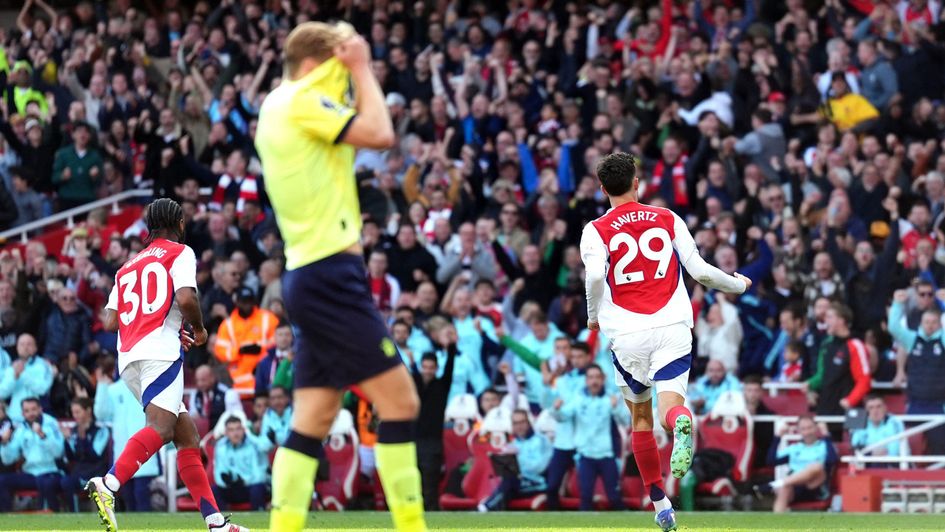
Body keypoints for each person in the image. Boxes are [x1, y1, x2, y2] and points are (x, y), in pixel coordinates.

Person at [255, 22, 426, 532]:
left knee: (313, 418)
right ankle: (412, 527)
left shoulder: (276, 105)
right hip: (331, 274)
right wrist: (360, 66)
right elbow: (381, 134)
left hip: (310, 272)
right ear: (314, 67)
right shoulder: (300, 102)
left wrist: (344, 59)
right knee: (401, 402)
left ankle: (282, 526)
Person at [580, 152, 750, 531]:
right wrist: (738, 284)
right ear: (637, 182)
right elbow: (702, 273)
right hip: (672, 325)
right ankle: (682, 421)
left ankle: (660, 503)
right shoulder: (667, 217)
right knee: (670, 408)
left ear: (603, 188)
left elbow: (594, 278)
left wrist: (593, 315)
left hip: (627, 333)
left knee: (640, 418)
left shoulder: (595, 229)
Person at [85, 198, 248, 532]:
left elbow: (110, 321)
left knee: (186, 436)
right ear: (181, 224)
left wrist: (164, 323)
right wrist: (199, 330)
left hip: (128, 359)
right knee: (160, 428)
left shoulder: (127, 266)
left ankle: (215, 523)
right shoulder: (180, 252)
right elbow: (187, 298)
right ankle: (109, 484)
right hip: (159, 353)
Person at [551, 364, 628, 511]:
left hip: (607, 455)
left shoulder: (610, 399)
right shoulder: (578, 399)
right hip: (585, 455)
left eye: (597, 377)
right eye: (591, 377)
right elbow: (562, 417)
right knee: (585, 497)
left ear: (603, 379)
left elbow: (625, 421)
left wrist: (615, 408)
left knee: (614, 497)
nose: (594, 381)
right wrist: (556, 409)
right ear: (586, 380)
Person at [94, 356, 158, 512]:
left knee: (142, 496)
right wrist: (101, 385)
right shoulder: (113, 389)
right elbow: (101, 414)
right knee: (128, 497)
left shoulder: (148, 388)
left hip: (145, 453)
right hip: (123, 453)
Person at [888, 289, 945, 454]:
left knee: (939, 447)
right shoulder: (912, 339)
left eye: (934, 322)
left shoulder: (943, 340)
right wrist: (898, 304)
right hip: (916, 402)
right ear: (920, 323)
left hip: (939, 404)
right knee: (913, 448)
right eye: (926, 321)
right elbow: (893, 327)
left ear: (940, 324)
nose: (930, 325)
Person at [409, 327, 456, 511]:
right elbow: (409, 375)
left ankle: (432, 519)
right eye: (425, 367)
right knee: (413, 484)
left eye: (431, 367)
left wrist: (451, 345)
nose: (428, 371)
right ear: (421, 367)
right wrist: (412, 366)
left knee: (430, 486)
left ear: (436, 368)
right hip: (413, 440)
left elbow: (450, 366)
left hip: (432, 443)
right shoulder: (415, 384)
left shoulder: (442, 386)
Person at [756, 415, 837, 513]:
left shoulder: (824, 445)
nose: (807, 432)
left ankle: (774, 484)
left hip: (815, 485)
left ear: (816, 428)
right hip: (795, 486)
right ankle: (776, 524)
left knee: (816, 466)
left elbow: (832, 460)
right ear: (799, 430)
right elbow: (771, 461)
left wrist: (826, 434)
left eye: (810, 428)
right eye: (803, 429)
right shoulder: (794, 448)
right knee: (784, 489)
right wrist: (778, 436)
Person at [477, 409, 552, 511]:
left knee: (509, 483)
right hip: (516, 483)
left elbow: (539, 467)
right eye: (515, 423)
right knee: (506, 482)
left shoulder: (541, 440)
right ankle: (487, 510)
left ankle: (485, 508)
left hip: (537, 483)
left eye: (522, 422)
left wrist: (517, 457)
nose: (519, 426)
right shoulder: (513, 443)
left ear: (529, 422)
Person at [805, 303, 872, 417]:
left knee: (859, 435)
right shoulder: (826, 345)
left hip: (853, 409)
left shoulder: (856, 345)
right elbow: (822, 374)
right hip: (827, 406)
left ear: (841, 320)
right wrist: (810, 384)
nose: (825, 320)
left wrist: (850, 400)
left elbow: (864, 380)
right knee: (827, 435)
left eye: (830, 317)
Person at [0, 397, 65, 511]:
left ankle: (54, 516)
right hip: (30, 474)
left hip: (51, 472)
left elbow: (58, 452)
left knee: (46, 482)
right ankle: (6, 519)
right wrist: (5, 444)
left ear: (40, 409)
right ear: (22, 413)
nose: (31, 414)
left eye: (34, 409)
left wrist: (42, 435)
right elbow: (8, 459)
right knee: (2, 480)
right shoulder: (21, 430)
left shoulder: (51, 424)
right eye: (27, 411)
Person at [214, 286, 278, 392]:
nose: (247, 305)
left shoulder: (268, 318)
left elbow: (278, 342)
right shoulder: (227, 324)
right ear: (237, 302)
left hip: (264, 383)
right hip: (237, 385)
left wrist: (261, 350)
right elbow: (220, 351)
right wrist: (239, 351)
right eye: (243, 302)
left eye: (249, 301)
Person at [60, 398, 111, 511]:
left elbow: (95, 456)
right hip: (79, 473)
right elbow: (71, 458)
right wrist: (67, 440)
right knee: (63, 481)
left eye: (78, 412)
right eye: (73, 412)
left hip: (96, 473)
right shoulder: (74, 431)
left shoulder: (100, 430)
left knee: (68, 482)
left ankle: (76, 514)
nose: (75, 416)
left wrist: (82, 439)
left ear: (88, 410)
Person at [213, 416, 270, 510]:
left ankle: (258, 516)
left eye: (238, 429)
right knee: (215, 490)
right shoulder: (220, 447)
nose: (235, 433)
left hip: (250, 487)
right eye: (231, 430)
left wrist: (244, 481)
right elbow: (219, 473)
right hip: (231, 487)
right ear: (226, 433)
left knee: (257, 489)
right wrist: (227, 482)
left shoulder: (254, 444)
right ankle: (221, 520)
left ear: (244, 430)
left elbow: (259, 476)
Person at [0, 333, 54, 421]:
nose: (25, 347)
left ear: (35, 348)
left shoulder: (44, 365)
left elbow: (43, 389)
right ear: (17, 348)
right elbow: (2, 393)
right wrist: (14, 377)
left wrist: (23, 375)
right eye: (22, 344)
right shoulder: (12, 367)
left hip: (38, 416)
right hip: (15, 417)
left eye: (29, 344)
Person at [851, 395, 908, 467]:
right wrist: (872, 454)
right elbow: (855, 446)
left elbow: (894, 452)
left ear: (885, 408)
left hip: (893, 463)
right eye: (871, 408)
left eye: (878, 406)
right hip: (869, 460)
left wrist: (874, 455)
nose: (875, 411)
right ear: (866, 410)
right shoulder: (861, 422)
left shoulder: (895, 422)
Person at [186, 365, 244, 429]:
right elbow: (193, 416)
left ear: (212, 378)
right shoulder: (195, 395)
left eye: (203, 380)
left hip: (223, 431)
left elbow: (236, 417)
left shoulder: (228, 393)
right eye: (197, 380)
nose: (200, 384)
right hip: (203, 434)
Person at [254, 322, 294, 396]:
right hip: (270, 403)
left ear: (292, 337)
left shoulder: (298, 360)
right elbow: (259, 388)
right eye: (280, 335)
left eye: (287, 334)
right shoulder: (264, 362)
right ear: (275, 337)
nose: (284, 338)